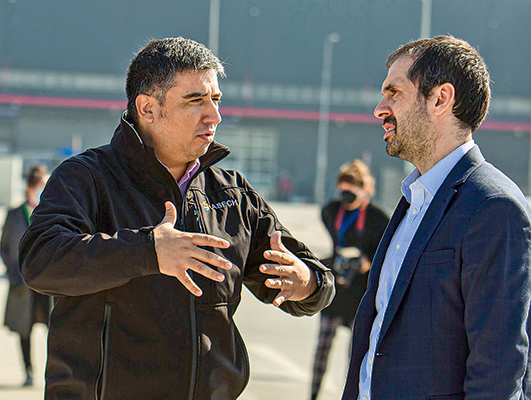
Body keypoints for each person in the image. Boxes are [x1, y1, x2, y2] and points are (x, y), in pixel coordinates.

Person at [18, 37, 334, 400]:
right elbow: (39, 259)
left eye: (215, 100)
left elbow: (311, 280)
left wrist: (307, 282)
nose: (213, 115)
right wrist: (147, 251)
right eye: (195, 101)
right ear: (148, 109)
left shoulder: (232, 194)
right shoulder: (87, 177)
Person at [342, 36, 531, 399]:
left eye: (394, 92)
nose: (379, 108)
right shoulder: (414, 201)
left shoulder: (493, 208)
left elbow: (497, 372)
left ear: (440, 99)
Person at [309, 160, 388, 400]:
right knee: (322, 348)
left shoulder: (378, 218)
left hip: (361, 295)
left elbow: (385, 254)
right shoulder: (332, 211)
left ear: (365, 189)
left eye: (351, 191)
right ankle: (312, 395)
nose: (346, 196)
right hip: (336, 291)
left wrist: (366, 262)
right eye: (342, 190)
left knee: (355, 356)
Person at [2, 164, 52, 387]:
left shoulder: (52, 213)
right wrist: (13, 273)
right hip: (22, 284)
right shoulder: (15, 214)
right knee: (24, 330)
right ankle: (29, 371)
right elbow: (4, 247)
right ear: (31, 187)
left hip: (48, 283)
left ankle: (55, 371)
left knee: (56, 327)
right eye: (41, 185)